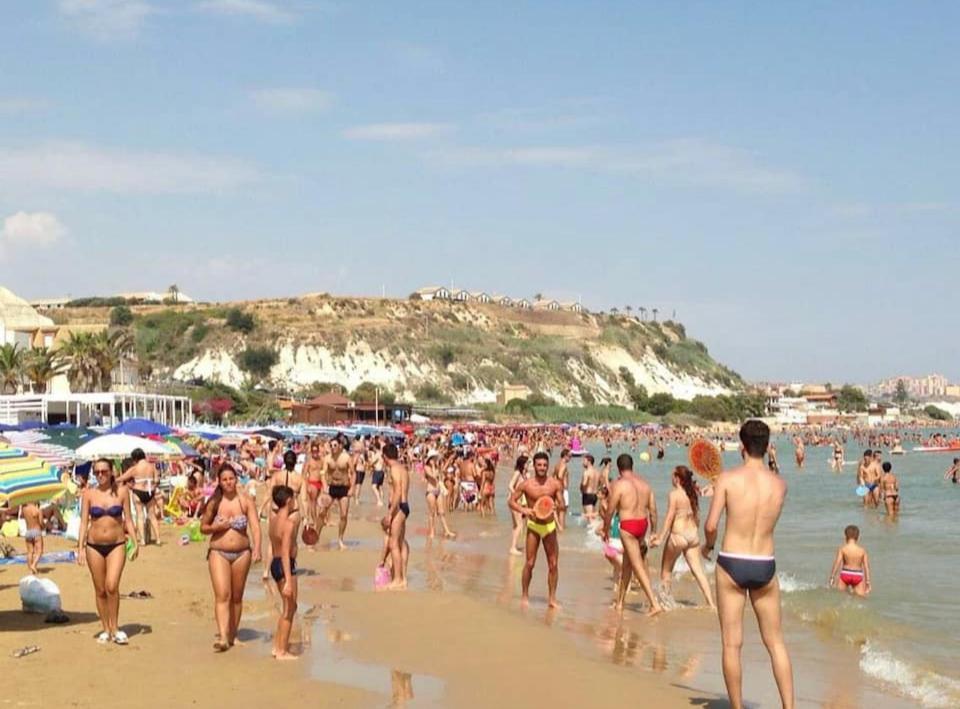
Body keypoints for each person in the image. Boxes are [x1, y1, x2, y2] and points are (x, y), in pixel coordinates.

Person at [702, 420, 793, 709]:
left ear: (742, 446)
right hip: (765, 562)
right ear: (767, 448)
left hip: (732, 561)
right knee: (776, 643)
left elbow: (711, 524)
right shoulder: (780, 484)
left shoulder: (727, 480)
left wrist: (708, 546)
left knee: (732, 643)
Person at [201, 464, 262, 652]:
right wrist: (217, 528)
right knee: (222, 595)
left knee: (236, 597)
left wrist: (258, 548)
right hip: (219, 552)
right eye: (224, 479)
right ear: (219, 482)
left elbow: (255, 526)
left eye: (231, 478)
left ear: (236, 479)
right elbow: (203, 527)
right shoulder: (214, 502)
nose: (228, 482)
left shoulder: (245, 501)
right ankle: (223, 637)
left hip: (242, 553)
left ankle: (233, 635)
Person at [77, 458, 139, 645]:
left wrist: (135, 542)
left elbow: (128, 519)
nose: (100, 475)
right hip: (93, 545)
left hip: (117, 544)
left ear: (112, 471)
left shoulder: (122, 492)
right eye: (96, 472)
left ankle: (115, 627)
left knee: (112, 585)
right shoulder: (88, 494)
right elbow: (83, 522)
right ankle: (105, 628)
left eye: (104, 471)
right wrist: (79, 548)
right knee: (100, 589)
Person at [603, 454, 663, 616]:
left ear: (618, 468)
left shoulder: (620, 485)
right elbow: (653, 510)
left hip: (628, 526)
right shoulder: (644, 484)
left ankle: (654, 603)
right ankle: (620, 603)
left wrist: (605, 529)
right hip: (642, 524)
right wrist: (654, 531)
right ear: (632, 466)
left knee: (637, 565)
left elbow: (610, 509)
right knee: (627, 565)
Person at [649, 466, 715, 609]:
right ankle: (711, 604)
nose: (671, 478)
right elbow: (697, 517)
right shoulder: (692, 493)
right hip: (692, 536)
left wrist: (660, 538)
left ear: (678, 478)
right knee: (699, 572)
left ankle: (665, 604)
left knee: (666, 571)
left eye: (673, 475)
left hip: (678, 535)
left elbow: (669, 517)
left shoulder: (674, 494)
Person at [508, 451, 563, 608]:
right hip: (533, 526)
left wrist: (557, 507)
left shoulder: (554, 484)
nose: (542, 467)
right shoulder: (526, 484)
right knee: (530, 563)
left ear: (548, 466)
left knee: (553, 564)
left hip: (549, 527)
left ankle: (552, 599)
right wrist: (524, 510)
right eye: (539, 465)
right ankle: (525, 596)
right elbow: (512, 501)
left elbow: (562, 504)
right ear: (534, 466)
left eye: (545, 465)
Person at [268, 484, 300, 660]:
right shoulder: (288, 524)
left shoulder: (273, 521)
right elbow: (286, 553)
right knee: (289, 609)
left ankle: (277, 645)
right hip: (284, 565)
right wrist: (288, 580)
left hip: (275, 563)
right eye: (294, 498)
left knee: (288, 607)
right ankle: (282, 650)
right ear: (289, 501)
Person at [118, 448, 161, 545]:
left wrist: (114, 479)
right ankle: (158, 539)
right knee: (152, 516)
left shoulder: (134, 468)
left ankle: (142, 540)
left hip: (138, 491)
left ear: (135, 458)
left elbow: (123, 477)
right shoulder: (152, 466)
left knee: (140, 516)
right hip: (149, 491)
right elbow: (157, 480)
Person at [382, 443, 410, 590]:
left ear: (385, 456)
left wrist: (390, 513)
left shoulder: (393, 469)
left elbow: (398, 491)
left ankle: (398, 579)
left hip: (398, 507)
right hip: (405, 507)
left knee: (393, 544)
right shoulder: (403, 469)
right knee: (400, 543)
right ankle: (403, 578)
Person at [321, 436, 353, 550]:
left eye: (335, 445)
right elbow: (323, 473)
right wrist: (324, 486)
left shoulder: (346, 458)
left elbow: (353, 473)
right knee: (322, 512)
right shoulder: (327, 458)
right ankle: (316, 537)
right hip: (331, 487)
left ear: (340, 446)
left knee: (343, 515)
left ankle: (340, 539)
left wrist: (352, 488)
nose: (333, 447)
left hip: (343, 488)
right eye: (331, 445)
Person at [828, 525, 871, 596]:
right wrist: (868, 582)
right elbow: (866, 567)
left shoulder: (843, 549)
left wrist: (832, 578)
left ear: (846, 536)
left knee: (839, 596)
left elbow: (837, 563)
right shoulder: (862, 551)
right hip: (857, 575)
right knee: (861, 599)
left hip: (845, 574)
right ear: (858, 537)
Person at [424, 451, 456, 540]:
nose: (435, 460)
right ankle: (432, 532)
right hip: (430, 492)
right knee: (432, 513)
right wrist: (433, 466)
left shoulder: (437, 466)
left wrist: (449, 460)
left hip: (438, 491)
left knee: (442, 512)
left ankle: (447, 531)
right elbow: (433, 477)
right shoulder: (427, 467)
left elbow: (443, 470)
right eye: (433, 458)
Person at [506, 455, 529, 556]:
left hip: (517, 501)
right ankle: (513, 547)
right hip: (514, 501)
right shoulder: (517, 473)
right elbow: (510, 485)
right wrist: (516, 495)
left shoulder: (523, 474)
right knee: (519, 525)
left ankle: (514, 545)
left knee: (516, 525)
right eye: (528, 463)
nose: (529, 465)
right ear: (523, 464)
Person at [22, 501, 43, 575]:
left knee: (29, 552)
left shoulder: (24, 509)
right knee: (39, 551)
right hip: (36, 531)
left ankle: (30, 570)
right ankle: (34, 565)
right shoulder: (37, 510)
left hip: (28, 532)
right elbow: (41, 522)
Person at [553, 448, 571, 531]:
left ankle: (558, 529)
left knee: (557, 510)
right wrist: (562, 487)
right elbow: (560, 476)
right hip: (562, 490)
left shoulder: (557, 464)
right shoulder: (564, 465)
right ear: (565, 456)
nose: (570, 458)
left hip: (556, 489)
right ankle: (562, 530)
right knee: (562, 511)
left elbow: (553, 476)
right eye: (569, 456)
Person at [580, 454, 600, 524]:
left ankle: (592, 533)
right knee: (593, 516)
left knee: (589, 518)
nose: (583, 462)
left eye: (584, 461)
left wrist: (581, 487)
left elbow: (584, 484)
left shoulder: (587, 472)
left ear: (589, 461)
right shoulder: (597, 472)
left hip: (587, 495)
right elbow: (600, 484)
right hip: (595, 495)